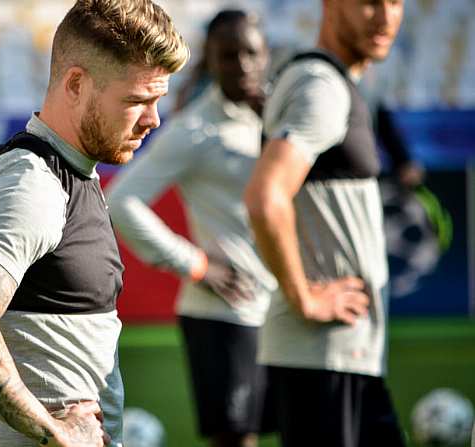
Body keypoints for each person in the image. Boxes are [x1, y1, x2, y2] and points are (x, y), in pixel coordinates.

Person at [0, 1, 189, 446]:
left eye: (158, 99)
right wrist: (55, 433)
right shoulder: (32, 183)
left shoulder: (73, 172)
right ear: (75, 84)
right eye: (136, 101)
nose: (153, 119)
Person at [106, 10, 274, 447]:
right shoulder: (196, 128)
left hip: (281, 307)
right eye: (228, 55)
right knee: (237, 440)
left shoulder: (280, 121)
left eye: (250, 53)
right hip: (224, 313)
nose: (242, 65)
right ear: (211, 62)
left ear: (266, 55)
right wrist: (196, 264)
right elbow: (122, 200)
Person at [243, 0, 406, 446]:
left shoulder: (337, 83)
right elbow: (265, 196)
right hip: (322, 354)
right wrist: (306, 300)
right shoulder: (320, 86)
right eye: (370, 2)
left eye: (396, 2)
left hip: (345, 357)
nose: (386, 16)